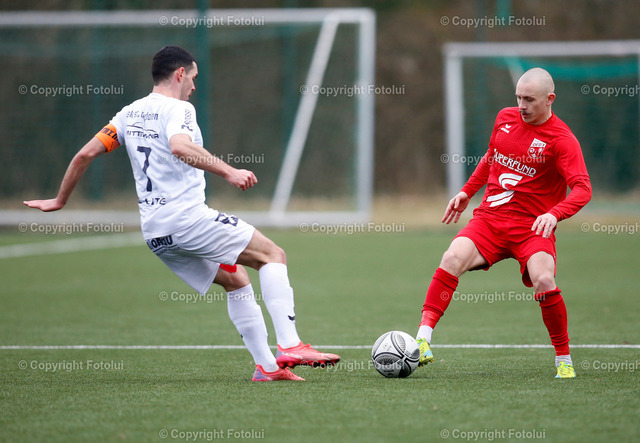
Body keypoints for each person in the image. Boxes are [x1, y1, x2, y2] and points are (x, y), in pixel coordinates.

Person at [24, 45, 340, 382]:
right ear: (179, 74)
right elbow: (179, 146)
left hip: (156, 232)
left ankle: (267, 368)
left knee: (235, 279)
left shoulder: (128, 114)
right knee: (272, 255)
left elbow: (84, 155)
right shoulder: (179, 109)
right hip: (187, 220)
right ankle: (290, 345)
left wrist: (60, 200)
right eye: (193, 77)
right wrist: (230, 171)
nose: (194, 85)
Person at [415, 67, 591, 379]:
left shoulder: (562, 140)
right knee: (451, 258)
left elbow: (582, 189)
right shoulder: (505, 118)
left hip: (532, 228)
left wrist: (555, 214)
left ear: (550, 99)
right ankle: (422, 340)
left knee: (544, 280)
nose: (521, 105)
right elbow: (491, 157)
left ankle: (563, 359)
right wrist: (467, 192)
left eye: (529, 99)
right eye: (518, 97)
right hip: (490, 220)